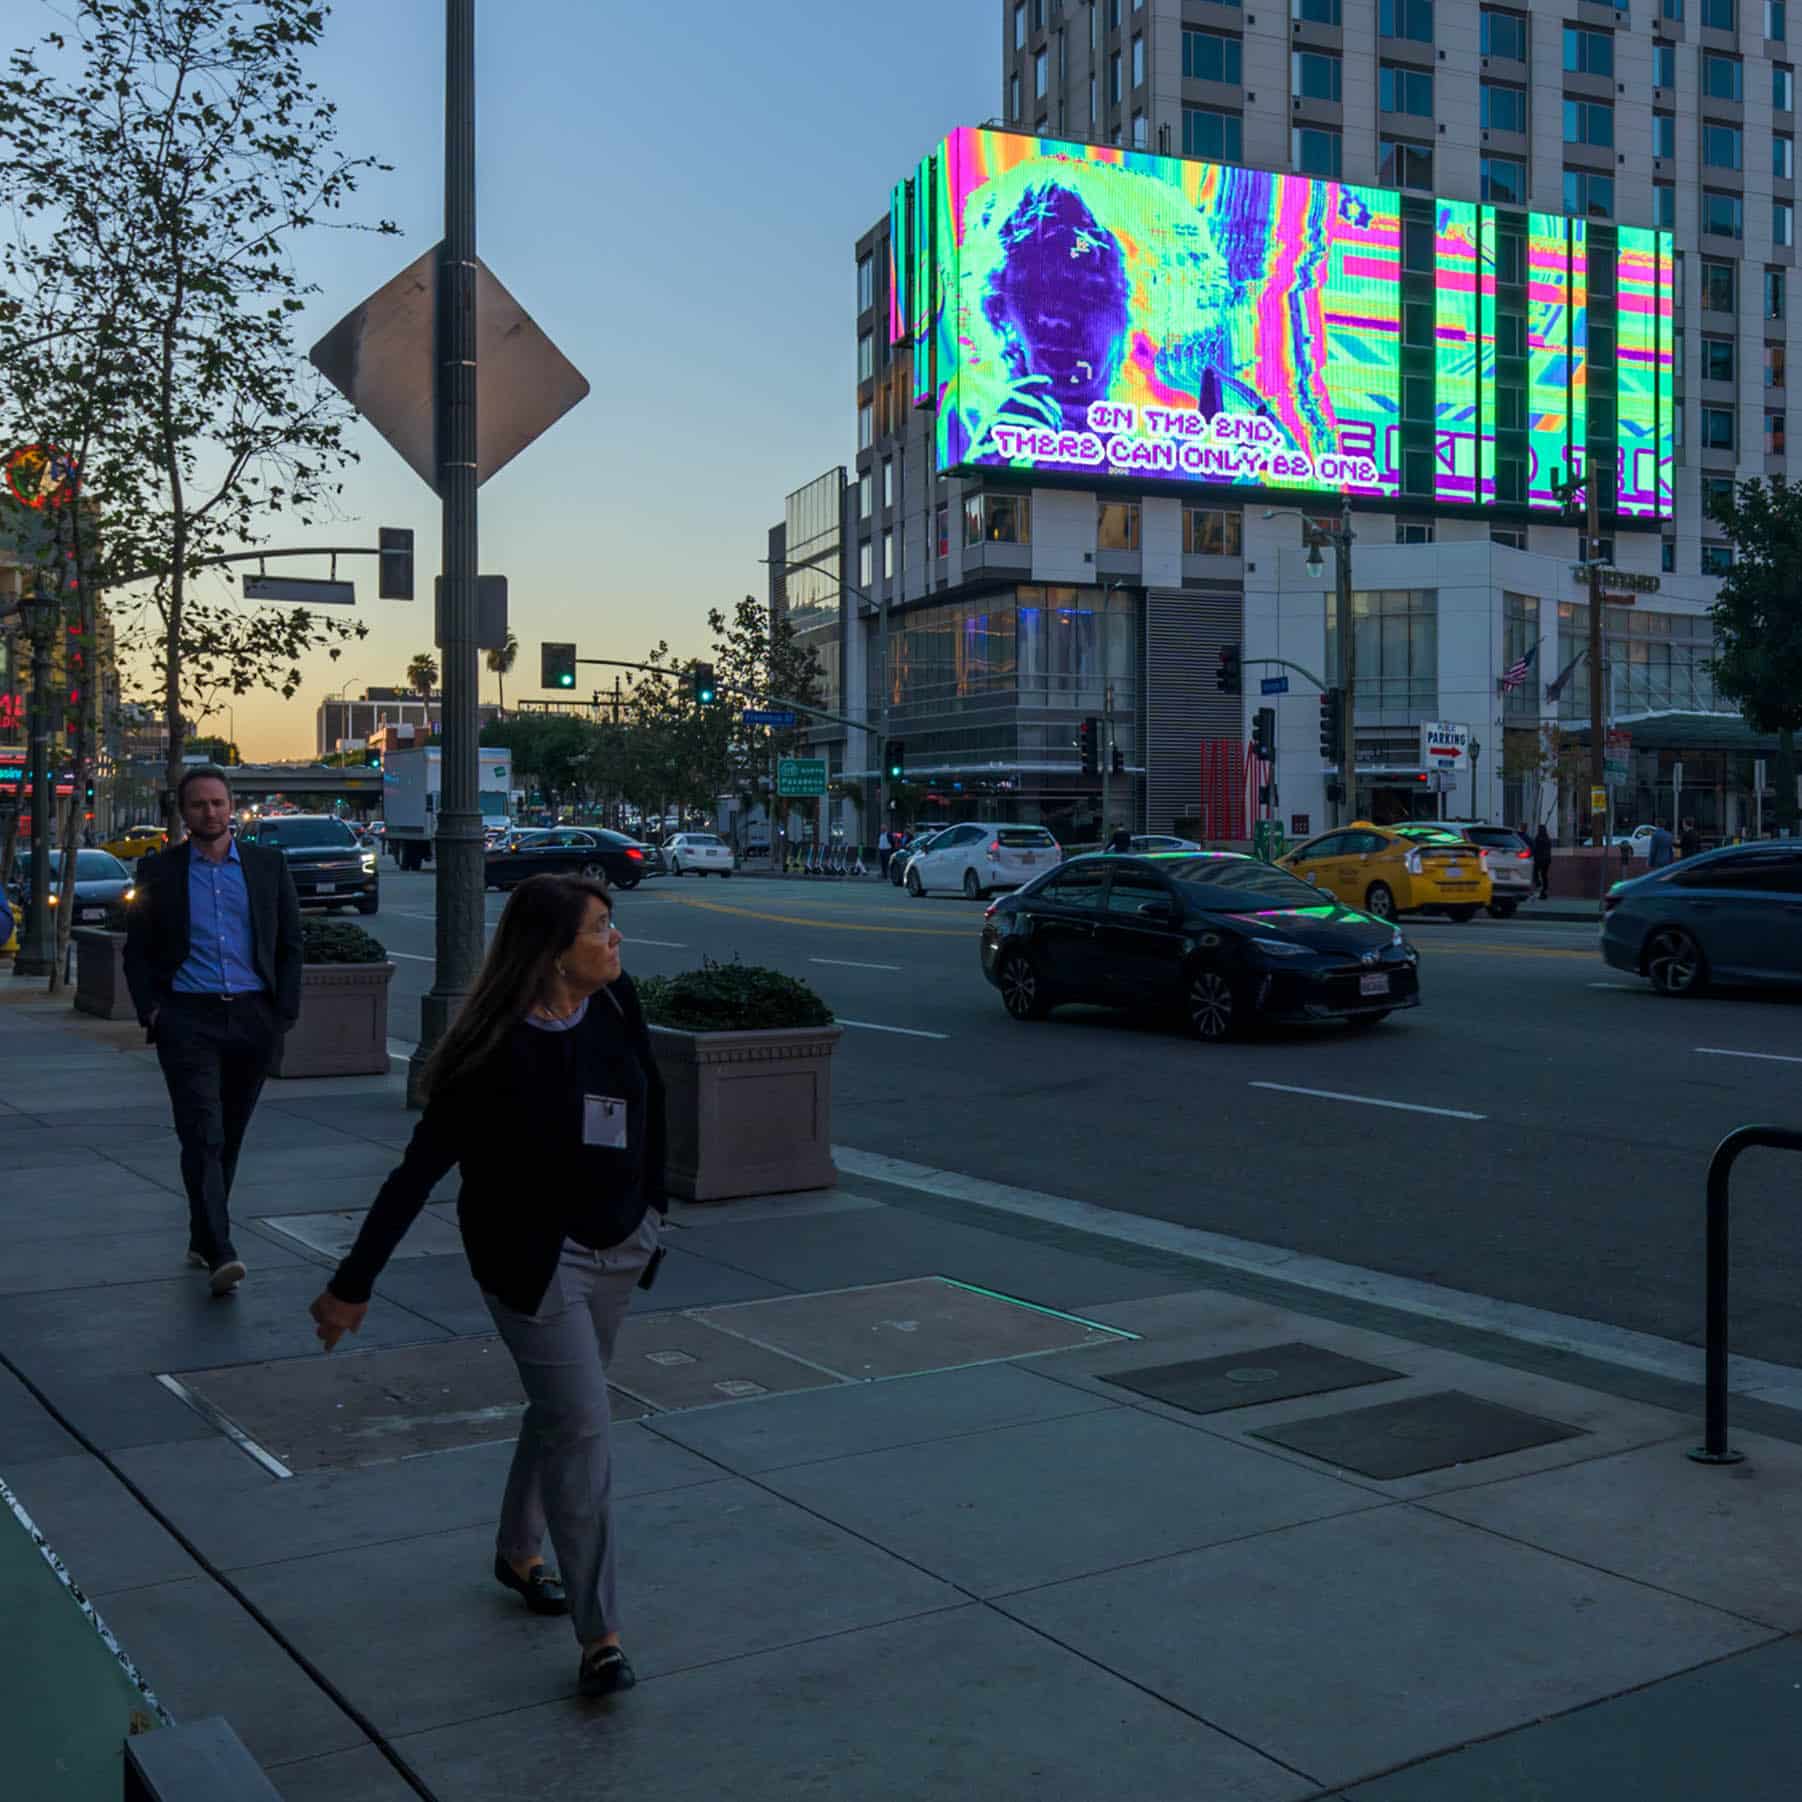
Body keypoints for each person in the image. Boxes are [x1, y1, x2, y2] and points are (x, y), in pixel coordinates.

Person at [308, 875, 665, 1701]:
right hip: (531, 1264)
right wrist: (351, 1284)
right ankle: (601, 1635)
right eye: (601, 929)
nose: (616, 941)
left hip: (618, 1245)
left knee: (563, 1409)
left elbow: (651, 1102)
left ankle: (516, 1550)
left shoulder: (617, 1003)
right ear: (553, 953)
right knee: (583, 1426)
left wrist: (652, 1210)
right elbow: (417, 1174)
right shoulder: (490, 1053)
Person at [123, 766, 301, 1297]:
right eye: (199, 805)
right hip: (188, 1018)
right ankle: (222, 1250)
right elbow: (139, 951)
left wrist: (282, 1012)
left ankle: (203, 1236)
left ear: (232, 807)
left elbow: (290, 941)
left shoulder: (268, 867)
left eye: (218, 803)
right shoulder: (160, 870)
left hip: (252, 1018)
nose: (210, 812)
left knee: (231, 1134)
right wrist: (152, 1011)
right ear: (184, 813)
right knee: (202, 1132)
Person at [1532, 823, 1552, 900]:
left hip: (1540, 859)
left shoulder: (1538, 838)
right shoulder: (1548, 839)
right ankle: (1544, 890)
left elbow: (1535, 849)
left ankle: (1538, 883)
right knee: (1544, 875)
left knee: (1535, 872)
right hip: (1547, 860)